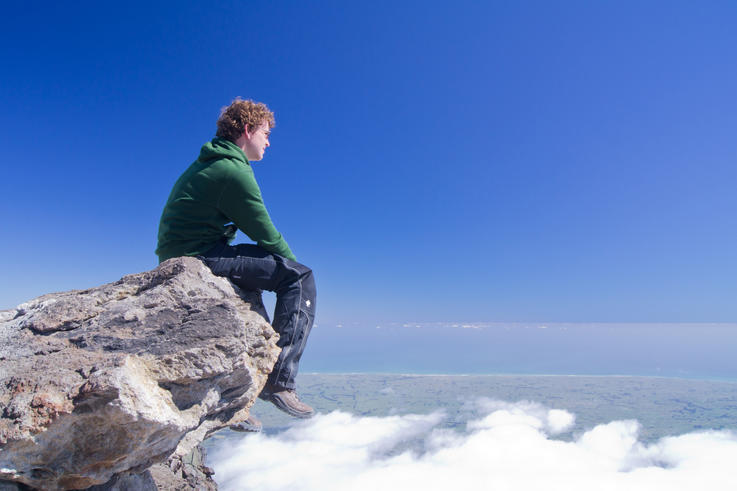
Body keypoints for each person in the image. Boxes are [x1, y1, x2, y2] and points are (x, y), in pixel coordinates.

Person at [155, 98, 316, 427]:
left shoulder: (214, 162)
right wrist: (294, 270)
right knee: (300, 279)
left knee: (253, 285)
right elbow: (267, 235)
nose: (269, 142)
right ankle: (279, 382)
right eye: (266, 133)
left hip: (184, 252)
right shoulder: (233, 170)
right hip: (198, 255)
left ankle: (233, 400)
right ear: (248, 130)